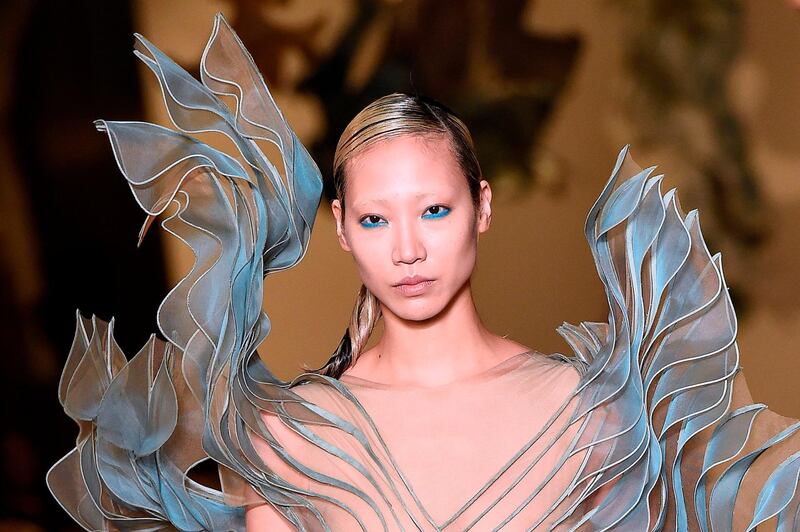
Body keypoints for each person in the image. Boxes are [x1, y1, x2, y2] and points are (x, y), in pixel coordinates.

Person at [48, 14, 800, 531]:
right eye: (375, 219)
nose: (407, 248)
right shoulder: (288, 437)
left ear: (482, 207)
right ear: (342, 228)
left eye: (434, 211)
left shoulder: (593, 414)